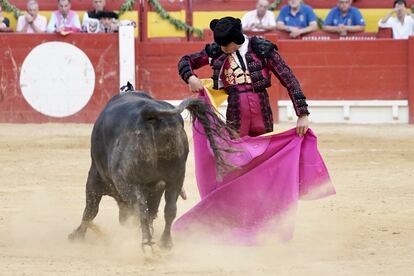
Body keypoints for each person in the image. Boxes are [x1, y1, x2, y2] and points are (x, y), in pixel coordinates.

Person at [178, 16, 309, 138]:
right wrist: (190, 77)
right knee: (236, 155)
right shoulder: (217, 51)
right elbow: (185, 60)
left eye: (225, 45)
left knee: (264, 154)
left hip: (262, 111)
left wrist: (302, 114)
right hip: (236, 112)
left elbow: (289, 79)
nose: (222, 48)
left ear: (236, 39)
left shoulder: (261, 48)